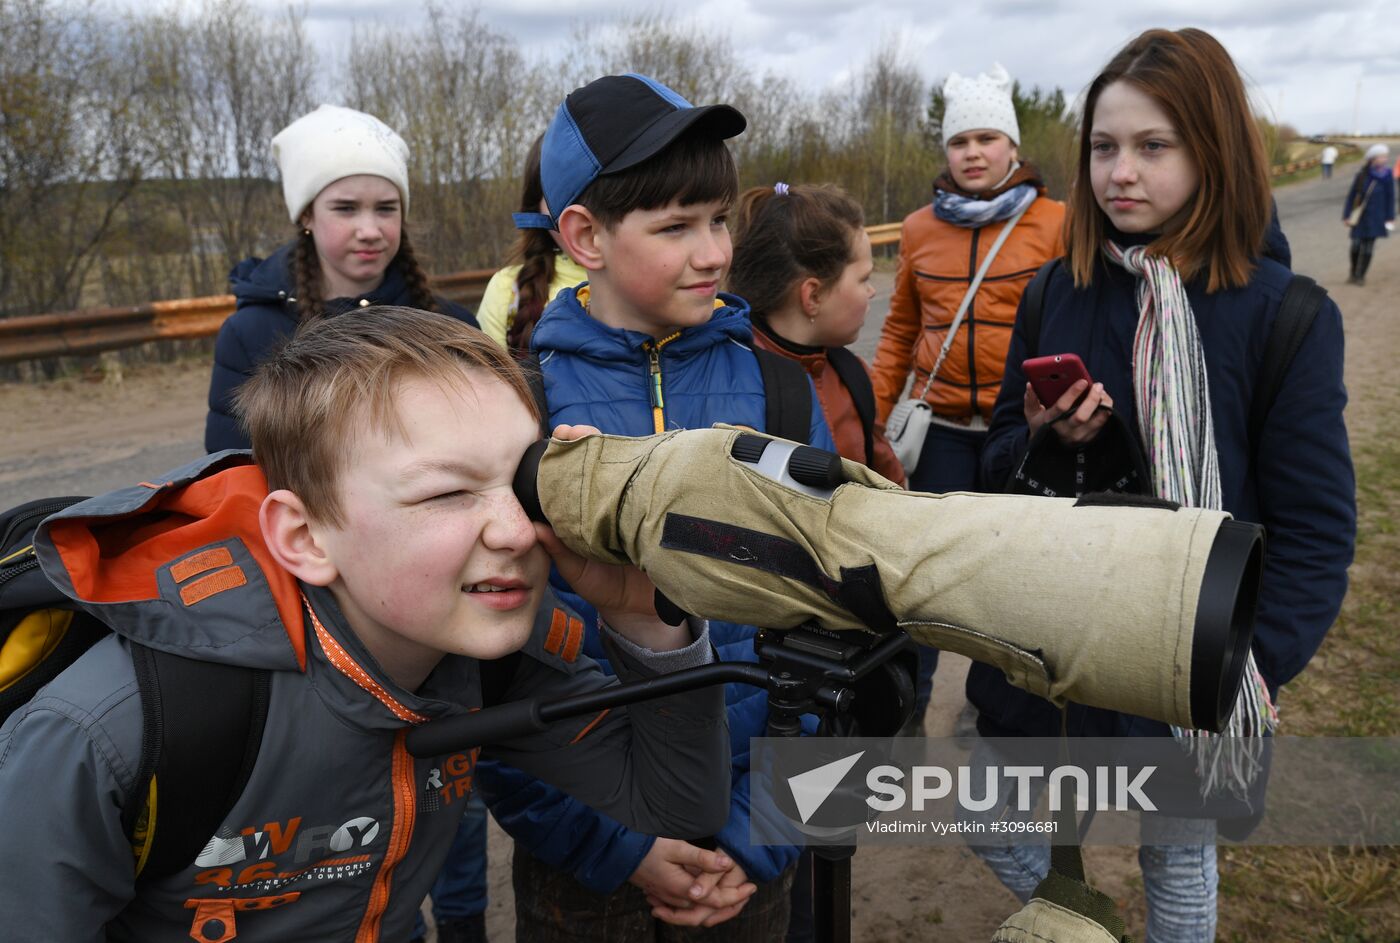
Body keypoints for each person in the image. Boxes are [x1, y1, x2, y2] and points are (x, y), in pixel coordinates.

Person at [0, 306, 732, 940]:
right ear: (305, 537)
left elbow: (675, 802)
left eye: (521, 482)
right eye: (447, 493)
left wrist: (648, 624)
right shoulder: (112, 729)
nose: (515, 531)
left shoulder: (492, 649)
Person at [970, 29, 1355, 942]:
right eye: (1104, 147)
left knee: (1177, 857)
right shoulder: (1052, 292)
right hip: (1050, 647)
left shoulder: (1282, 315)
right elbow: (991, 474)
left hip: (1191, 662)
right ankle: (1094, 927)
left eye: (1153, 146)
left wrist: (1247, 672)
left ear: (1212, 151)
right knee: (982, 814)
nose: (1120, 173)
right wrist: (1044, 437)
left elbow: (1316, 531)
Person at [475, 73, 836, 941]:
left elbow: (835, 637)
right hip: (584, 860)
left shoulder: (783, 394)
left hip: (750, 854)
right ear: (584, 236)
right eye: (674, 227)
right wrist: (616, 844)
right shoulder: (512, 409)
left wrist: (760, 839)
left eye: (718, 219)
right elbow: (489, 672)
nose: (713, 252)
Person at [868, 63, 1065, 733]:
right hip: (943, 430)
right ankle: (908, 714)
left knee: (1016, 583)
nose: (973, 153)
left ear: (1012, 146)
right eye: (960, 142)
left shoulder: (1058, 223)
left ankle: (995, 709)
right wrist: (870, 417)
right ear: (946, 152)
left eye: (986, 138)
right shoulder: (920, 229)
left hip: (1023, 433)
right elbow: (897, 331)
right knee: (923, 588)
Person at [205, 104, 477, 452]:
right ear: (307, 215)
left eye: (386, 208)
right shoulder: (250, 335)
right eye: (346, 208)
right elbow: (233, 471)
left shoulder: (451, 324)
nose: (369, 230)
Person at [728, 182, 907, 487]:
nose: (872, 290)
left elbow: (890, 486)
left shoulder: (853, 376)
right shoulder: (733, 387)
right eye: (863, 279)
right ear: (813, 296)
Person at [477, 134, 589, 354]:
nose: (581, 214)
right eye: (562, 194)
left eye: (592, 189)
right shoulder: (507, 290)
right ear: (535, 207)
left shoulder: (654, 280)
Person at [1343, 142, 1395, 286]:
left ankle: (1361, 276)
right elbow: (1352, 196)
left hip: (1377, 217)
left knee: (1368, 247)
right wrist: (1347, 215)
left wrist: (1390, 217)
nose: (1384, 159)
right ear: (1373, 158)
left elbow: (1390, 197)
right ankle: (1353, 272)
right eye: (1381, 157)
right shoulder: (1362, 175)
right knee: (1355, 245)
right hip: (1360, 217)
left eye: (1385, 156)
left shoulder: (1387, 175)